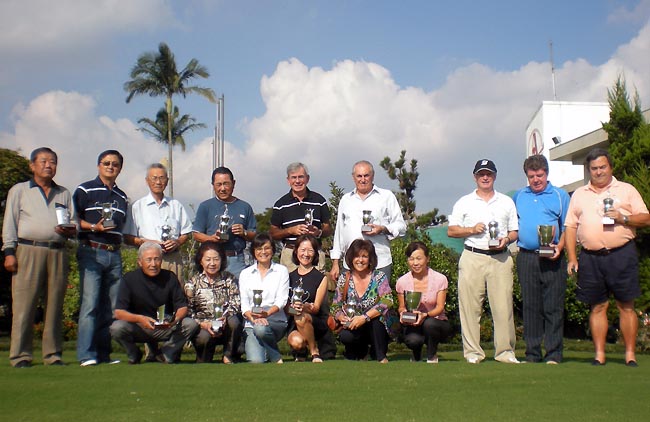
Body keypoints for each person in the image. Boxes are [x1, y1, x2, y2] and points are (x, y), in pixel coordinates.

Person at [565, 148, 650, 366]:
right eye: (594, 168)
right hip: (591, 257)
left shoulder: (626, 190)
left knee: (626, 305)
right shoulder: (579, 194)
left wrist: (623, 218)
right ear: (589, 170)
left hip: (621, 253)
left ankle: (630, 354)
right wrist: (573, 258)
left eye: (602, 167)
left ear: (610, 167)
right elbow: (571, 227)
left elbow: (645, 218)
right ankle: (599, 355)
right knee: (597, 306)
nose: (599, 172)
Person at [2, 147, 77, 367]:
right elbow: (10, 223)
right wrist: (9, 252)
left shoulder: (63, 193)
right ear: (32, 165)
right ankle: (21, 355)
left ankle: (52, 355)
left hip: (57, 250)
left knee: (55, 306)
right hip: (27, 250)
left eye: (52, 161)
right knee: (24, 306)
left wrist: (70, 231)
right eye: (43, 161)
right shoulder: (20, 190)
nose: (48, 165)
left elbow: (72, 223)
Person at [448, 159, 519, 364]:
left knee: (503, 307)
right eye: (481, 174)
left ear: (495, 176)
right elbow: (452, 230)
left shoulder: (506, 201)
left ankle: (505, 353)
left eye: (489, 173)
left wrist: (507, 239)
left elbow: (515, 231)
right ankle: (473, 353)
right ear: (475, 177)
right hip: (472, 256)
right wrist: (471, 230)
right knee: (470, 308)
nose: (485, 177)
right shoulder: (464, 202)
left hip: (500, 258)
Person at [513, 155, 570, 364]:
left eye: (539, 175)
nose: (536, 180)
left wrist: (560, 246)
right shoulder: (519, 196)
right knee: (530, 306)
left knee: (553, 306)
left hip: (553, 256)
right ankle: (533, 353)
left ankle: (554, 353)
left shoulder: (560, 195)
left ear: (546, 173)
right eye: (531, 176)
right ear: (526, 176)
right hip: (527, 256)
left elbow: (568, 227)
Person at [73, 149, 128, 366]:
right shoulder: (85, 189)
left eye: (115, 164)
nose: (110, 167)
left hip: (114, 253)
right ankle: (86, 354)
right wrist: (93, 227)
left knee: (110, 307)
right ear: (99, 165)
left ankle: (103, 355)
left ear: (120, 169)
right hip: (92, 249)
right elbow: (73, 218)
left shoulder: (122, 196)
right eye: (106, 163)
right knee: (90, 304)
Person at [110, 242, 199, 364]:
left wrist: (174, 319)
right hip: (140, 327)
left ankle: (165, 353)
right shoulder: (129, 279)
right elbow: (119, 313)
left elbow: (182, 306)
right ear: (140, 262)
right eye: (149, 260)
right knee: (116, 327)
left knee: (190, 324)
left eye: (156, 259)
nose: (153, 264)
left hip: (164, 326)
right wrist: (140, 319)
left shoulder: (170, 277)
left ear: (161, 260)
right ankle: (134, 353)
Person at [330, 160, 406, 282]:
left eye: (366, 175)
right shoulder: (346, 200)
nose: (363, 179)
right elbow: (339, 232)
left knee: (380, 300)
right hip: (351, 262)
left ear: (373, 176)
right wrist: (335, 262)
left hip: (380, 262)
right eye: (359, 176)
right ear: (353, 177)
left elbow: (401, 226)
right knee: (349, 300)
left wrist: (382, 229)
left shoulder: (386, 196)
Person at [124, 163, 192, 281]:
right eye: (154, 178)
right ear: (147, 181)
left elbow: (186, 233)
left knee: (175, 296)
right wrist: (146, 242)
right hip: (148, 260)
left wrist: (176, 242)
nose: (158, 182)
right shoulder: (137, 206)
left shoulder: (176, 205)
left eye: (162, 178)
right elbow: (128, 237)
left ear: (167, 180)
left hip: (172, 259)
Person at [331, 239, 394, 363]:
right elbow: (335, 306)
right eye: (357, 256)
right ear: (351, 258)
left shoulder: (379, 276)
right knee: (346, 337)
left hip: (375, 324)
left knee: (377, 321)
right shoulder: (345, 277)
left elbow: (388, 301)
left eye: (364, 256)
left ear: (370, 259)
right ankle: (359, 351)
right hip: (353, 324)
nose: (360, 260)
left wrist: (364, 317)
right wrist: (341, 317)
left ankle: (381, 355)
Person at [184, 241, 243, 364]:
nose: (212, 263)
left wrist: (224, 318)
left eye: (216, 259)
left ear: (222, 260)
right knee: (204, 340)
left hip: (224, 324)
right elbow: (188, 311)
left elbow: (236, 303)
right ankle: (203, 358)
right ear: (201, 261)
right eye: (208, 259)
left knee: (234, 321)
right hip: (204, 326)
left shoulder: (229, 279)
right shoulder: (193, 283)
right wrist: (203, 324)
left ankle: (228, 356)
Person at [193, 167, 257, 278]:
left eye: (226, 184)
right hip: (212, 261)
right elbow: (196, 234)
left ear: (233, 183)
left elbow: (254, 235)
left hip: (236, 260)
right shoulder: (205, 206)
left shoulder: (244, 207)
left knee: (237, 293)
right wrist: (212, 239)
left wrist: (244, 233)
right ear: (213, 185)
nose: (222, 188)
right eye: (218, 184)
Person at [269, 162, 332, 273]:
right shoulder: (280, 204)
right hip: (290, 255)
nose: (297, 181)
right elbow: (273, 233)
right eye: (294, 177)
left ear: (307, 179)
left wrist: (319, 232)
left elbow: (328, 228)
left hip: (314, 253)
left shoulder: (319, 200)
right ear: (288, 180)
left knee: (317, 288)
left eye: (301, 177)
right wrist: (290, 230)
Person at [396, 241, 451, 364]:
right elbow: (401, 307)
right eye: (411, 259)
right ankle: (416, 354)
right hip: (412, 323)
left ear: (427, 259)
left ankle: (431, 355)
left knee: (429, 324)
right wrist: (403, 313)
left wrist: (424, 315)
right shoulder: (402, 281)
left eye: (419, 258)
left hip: (436, 321)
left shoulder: (440, 279)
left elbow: (440, 307)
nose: (415, 263)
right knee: (413, 340)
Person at [239, 233, 289, 363]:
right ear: (253, 251)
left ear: (273, 249)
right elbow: (244, 304)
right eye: (259, 249)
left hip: (275, 321)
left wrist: (265, 314)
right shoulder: (245, 274)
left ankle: (274, 355)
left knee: (261, 329)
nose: (263, 252)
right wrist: (253, 319)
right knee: (256, 361)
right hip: (252, 323)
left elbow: (282, 300)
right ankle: (270, 353)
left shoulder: (281, 271)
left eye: (267, 248)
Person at [286, 234, 330, 363]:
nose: (306, 254)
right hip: (294, 321)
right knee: (296, 342)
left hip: (314, 321)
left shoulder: (321, 278)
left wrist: (304, 307)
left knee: (302, 317)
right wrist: (295, 309)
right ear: (296, 251)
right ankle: (302, 350)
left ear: (315, 253)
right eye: (303, 250)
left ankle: (314, 351)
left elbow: (316, 308)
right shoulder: (288, 277)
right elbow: (286, 308)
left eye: (310, 250)